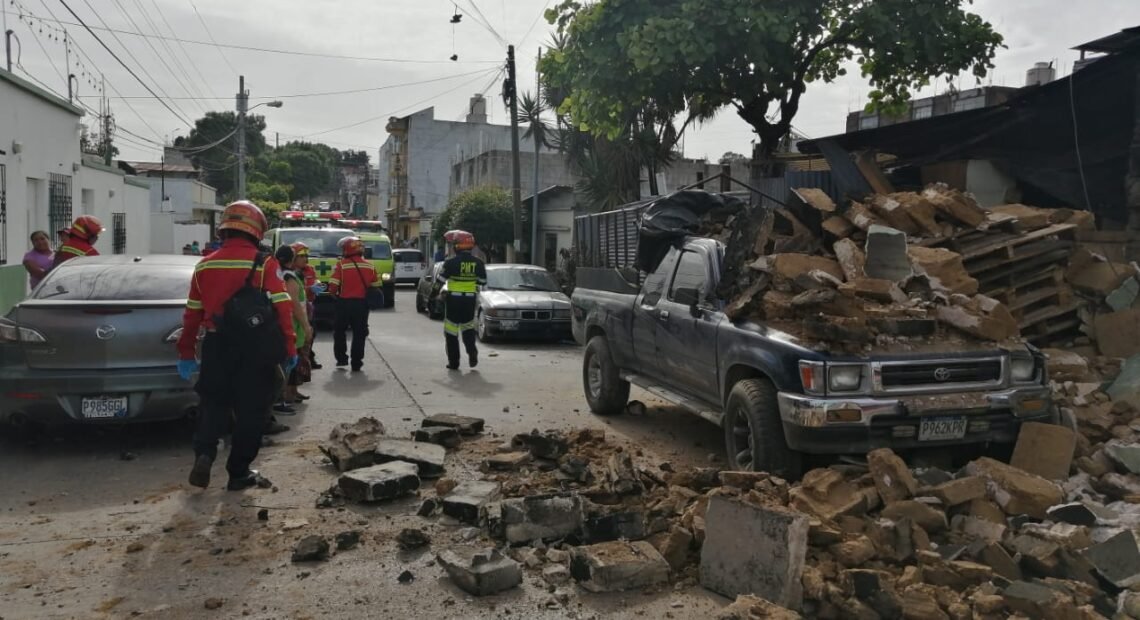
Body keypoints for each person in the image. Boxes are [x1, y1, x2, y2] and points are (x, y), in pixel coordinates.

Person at [176, 200, 297, 492]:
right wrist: (290, 347)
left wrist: (186, 352)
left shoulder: (204, 264)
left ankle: (204, 454)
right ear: (256, 231)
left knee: (213, 405)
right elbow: (283, 307)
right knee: (251, 411)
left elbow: (192, 314)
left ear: (225, 230)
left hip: (216, 345)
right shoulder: (265, 263)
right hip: (255, 349)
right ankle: (238, 472)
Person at [327, 235, 379, 372]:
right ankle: (356, 363)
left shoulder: (341, 265)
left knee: (339, 331)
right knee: (359, 334)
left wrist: (334, 296)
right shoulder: (370, 266)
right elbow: (375, 286)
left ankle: (341, 359)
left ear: (346, 250)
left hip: (344, 303)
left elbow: (333, 286)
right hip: (362, 304)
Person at [438, 230, 486, 370]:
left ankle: (454, 363)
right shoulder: (478, 263)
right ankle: (472, 352)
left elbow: (439, 282)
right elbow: (482, 282)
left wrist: (433, 296)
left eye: (453, 244)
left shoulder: (450, 262)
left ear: (458, 246)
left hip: (453, 300)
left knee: (451, 332)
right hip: (469, 301)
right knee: (468, 328)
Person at [273, 243, 313, 414]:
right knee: (290, 362)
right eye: (301, 256)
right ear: (292, 260)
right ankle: (285, 397)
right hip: (293, 325)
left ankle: (292, 392)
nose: (305, 259)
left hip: (291, 325)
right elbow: (294, 304)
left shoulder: (281, 274)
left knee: (294, 363)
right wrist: (306, 325)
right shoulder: (289, 277)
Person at [296, 244, 323, 370]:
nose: (305, 259)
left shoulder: (310, 269)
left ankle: (308, 358)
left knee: (312, 334)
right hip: (297, 308)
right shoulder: (290, 273)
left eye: (306, 256)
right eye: (302, 256)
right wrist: (308, 289)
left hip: (309, 307)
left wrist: (317, 284)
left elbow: (314, 280)